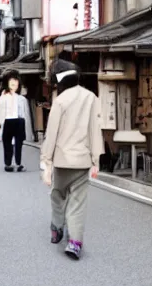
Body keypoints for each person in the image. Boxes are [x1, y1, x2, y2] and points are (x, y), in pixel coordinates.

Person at [40, 59, 104, 260]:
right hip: (83, 160)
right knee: (77, 202)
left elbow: (51, 135)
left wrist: (46, 163)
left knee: (57, 194)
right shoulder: (91, 97)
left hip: (62, 160)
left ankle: (57, 226)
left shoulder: (60, 101)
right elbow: (95, 130)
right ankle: (75, 243)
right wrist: (96, 161)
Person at [0, 69, 33, 172]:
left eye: (16, 82)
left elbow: (25, 114)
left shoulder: (21, 99)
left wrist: (27, 131)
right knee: (7, 144)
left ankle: (18, 163)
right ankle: (8, 164)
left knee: (19, 144)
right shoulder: (2, 98)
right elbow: (0, 114)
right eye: (11, 82)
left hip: (19, 121)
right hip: (7, 121)